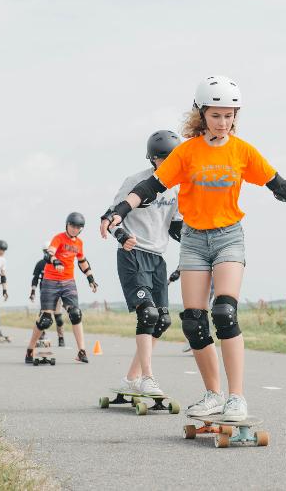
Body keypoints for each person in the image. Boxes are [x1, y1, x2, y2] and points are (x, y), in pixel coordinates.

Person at [103, 75, 286, 421]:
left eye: (230, 115)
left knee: (224, 312)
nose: (223, 123)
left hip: (227, 237)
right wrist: (118, 212)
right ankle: (213, 395)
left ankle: (236, 398)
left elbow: (279, 185)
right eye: (216, 115)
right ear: (201, 114)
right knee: (193, 321)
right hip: (192, 239)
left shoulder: (242, 151)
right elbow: (149, 187)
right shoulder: (186, 152)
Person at [99, 130, 182, 395]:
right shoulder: (136, 181)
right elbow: (112, 216)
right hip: (132, 255)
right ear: (152, 158)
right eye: (162, 159)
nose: (167, 165)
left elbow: (176, 226)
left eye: (172, 159)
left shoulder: (178, 187)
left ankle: (130, 379)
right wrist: (121, 236)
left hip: (158, 259)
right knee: (148, 314)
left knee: (163, 320)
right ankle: (147, 377)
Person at [25, 213, 98, 364]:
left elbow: (82, 261)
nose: (74, 229)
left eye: (78, 227)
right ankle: (30, 349)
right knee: (45, 320)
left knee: (75, 314)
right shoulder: (58, 238)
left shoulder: (79, 243)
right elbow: (49, 253)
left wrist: (90, 278)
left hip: (68, 281)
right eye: (72, 225)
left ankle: (82, 351)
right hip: (50, 281)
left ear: (81, 229)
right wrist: (55, 260)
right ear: (67, 225)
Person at [29, 242, 66, 346]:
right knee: (44, 316)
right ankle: (41, 333)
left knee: (58, 317)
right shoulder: (40, 263)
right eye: (46, 251)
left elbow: (63, 278)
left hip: (57, 292)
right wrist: (32, 292)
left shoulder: (58, 263)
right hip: (45, 293)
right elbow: (35, 279)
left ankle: (61, 338)